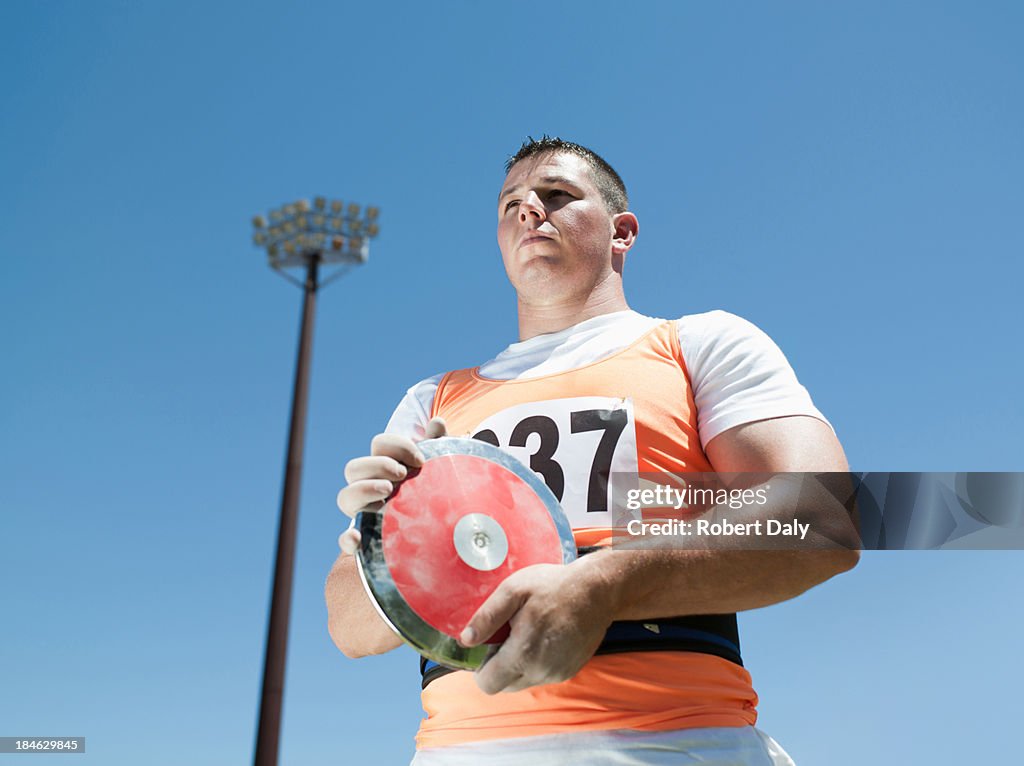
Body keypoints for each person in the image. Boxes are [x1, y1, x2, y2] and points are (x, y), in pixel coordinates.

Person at [326, 137, 858, 765]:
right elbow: (348, 627)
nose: (528, 211)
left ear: (621, 232)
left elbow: (825, 519)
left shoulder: (698, 344)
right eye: (510, 205)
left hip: (683, 744)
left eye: (556, 195)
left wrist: (601, 586)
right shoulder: (430, 401)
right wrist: (394, 540)